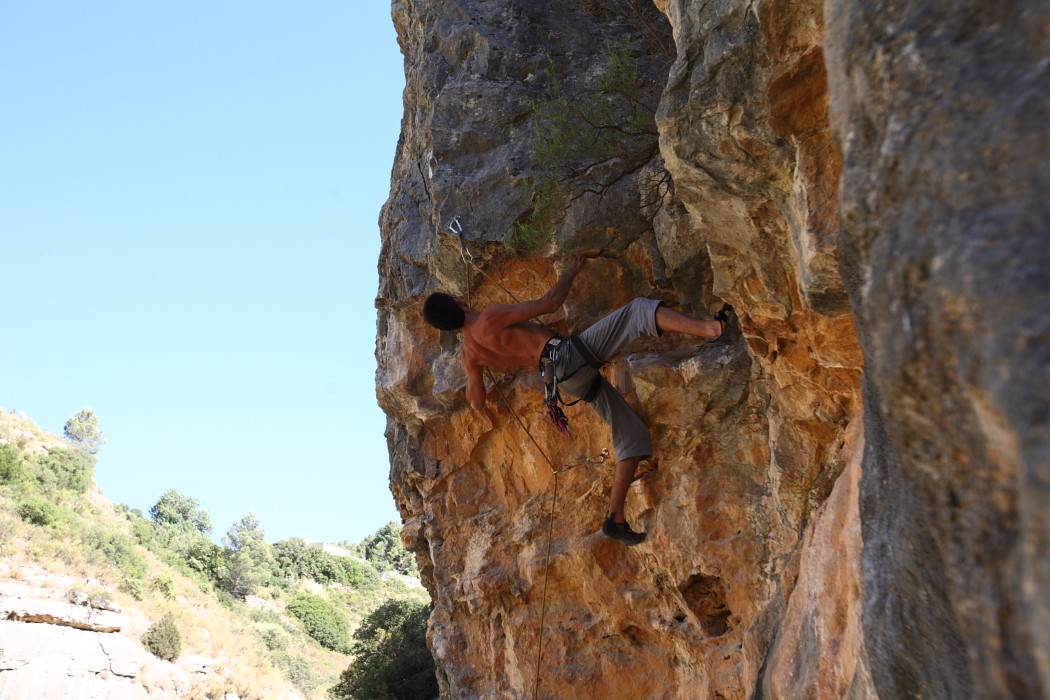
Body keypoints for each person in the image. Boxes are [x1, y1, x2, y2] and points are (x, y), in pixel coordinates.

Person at [422, 256, 731, 546]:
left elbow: (476, 403)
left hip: (564, 381)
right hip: (568, 357)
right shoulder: (487, 319)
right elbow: (550, 303)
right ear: (458, 302)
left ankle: (615, 517)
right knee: (637, 311)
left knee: (631, 433)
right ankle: (710, 329)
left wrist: (473, 374)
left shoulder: (470, 354)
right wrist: (573, 268)